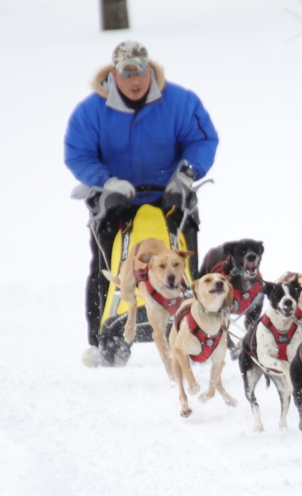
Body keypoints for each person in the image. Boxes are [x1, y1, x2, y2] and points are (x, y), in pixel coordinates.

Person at [64, 39, 218, 365]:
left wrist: (187, 173)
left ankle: (200, 327)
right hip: (116, 198)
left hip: (170, 195)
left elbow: (202, 139)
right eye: (127, 73)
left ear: (150, 70)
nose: (135, 80)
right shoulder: (92, 110)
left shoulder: (180, 102)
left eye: (141, 72)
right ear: (114, 74)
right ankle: (101, 339)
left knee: (185, 260)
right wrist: (106, 181)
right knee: (107, 264)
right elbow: (78, 153)